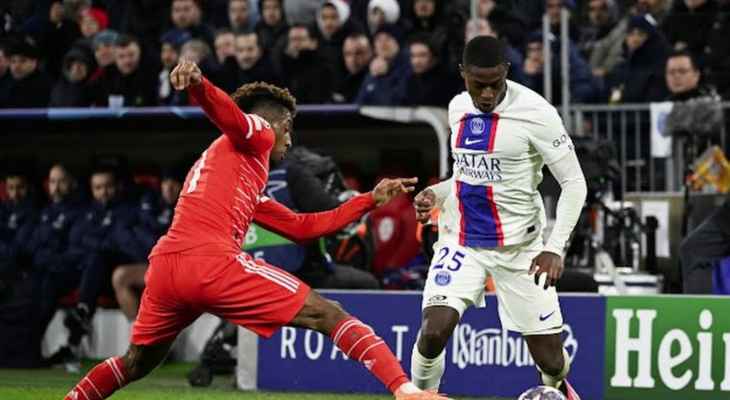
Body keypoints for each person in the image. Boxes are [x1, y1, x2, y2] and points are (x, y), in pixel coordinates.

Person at [63, 59, 450, 400]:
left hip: (165, 268)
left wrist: (368, 200)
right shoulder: (259, 134)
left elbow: (301, 227)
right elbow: (230, 117)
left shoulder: (229, 169)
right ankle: (407, 390)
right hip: (211, 263)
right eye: (291, 130)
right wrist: (199, 86)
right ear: (279, 123)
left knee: (135, 363)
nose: (290, 140)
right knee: (328, 314)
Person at [409, 36, 587, 400]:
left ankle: (557, 390)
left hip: (521, 248)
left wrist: (555, 248)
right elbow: (467, 174)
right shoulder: (458, 107)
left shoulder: (538, 113)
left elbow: (575, 183)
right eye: (478, 84)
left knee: (551, 361)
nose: (487, 94)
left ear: (507, 71)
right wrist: (437, 194)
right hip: (462, 240)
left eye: (495, 83)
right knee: (432, 332)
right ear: (463, 75)